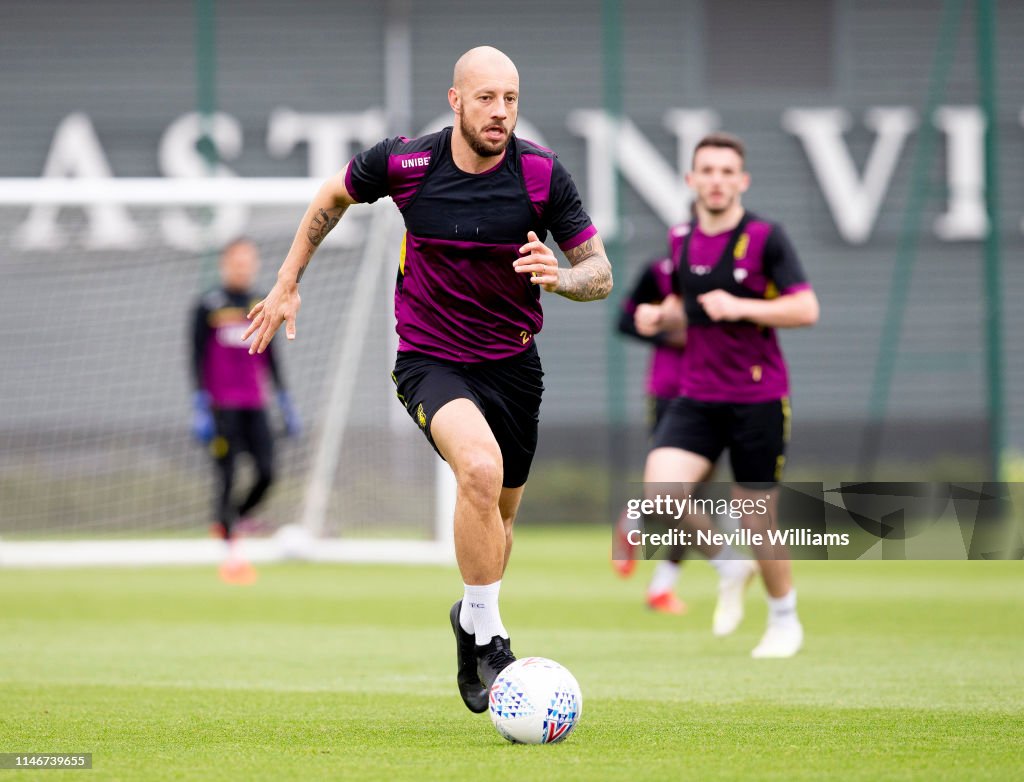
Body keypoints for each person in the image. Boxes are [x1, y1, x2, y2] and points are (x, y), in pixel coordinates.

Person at [243, 46, 612, 711]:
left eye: (511, 99)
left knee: (498, 523)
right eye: (486, 99)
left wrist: (562, 279)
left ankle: (470, 618)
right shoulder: (405, 163)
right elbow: (332, 196)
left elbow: (600, 274)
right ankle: (491, 637)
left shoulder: (541, 177)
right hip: (430, 359)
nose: (500, 113)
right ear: (455, 100)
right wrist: (286, 281)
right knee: (478, 470)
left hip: (514, 367)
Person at [636, 132, 819, 658]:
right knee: (661, 495)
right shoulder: (681, 239)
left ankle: (785, 619)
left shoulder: (766, 237)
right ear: (692, 180)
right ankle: (726, 563)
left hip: (757, 397)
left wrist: (744, 307)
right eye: (706, 171)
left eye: (726, 171)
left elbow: (805, 309)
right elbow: (686, 305)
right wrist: (659, 314)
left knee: (756, 517)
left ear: (742, 181)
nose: (716, 180)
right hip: (696, 394)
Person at [190, 238, 301, 585]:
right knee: (226, 476)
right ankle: (231, 557)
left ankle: (231, 521)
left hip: (255, 405)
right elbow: (195, 357)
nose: (243, 267)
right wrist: (200, 404)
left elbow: (272, 356)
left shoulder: (261, 303)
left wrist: (283, 399)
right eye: (237, 261)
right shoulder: (207, 306)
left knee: (267, 472)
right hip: (222, 408)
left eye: (248, 261)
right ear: (226, 263)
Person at [612, 256, 691, 614]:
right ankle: (638, 517)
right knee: (675, 492)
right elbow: (625, 321)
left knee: (696, 497)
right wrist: (666, 333)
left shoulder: (739, 274)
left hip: (721, 390)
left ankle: (661, 584)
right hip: (670, 389)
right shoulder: (661, 272)